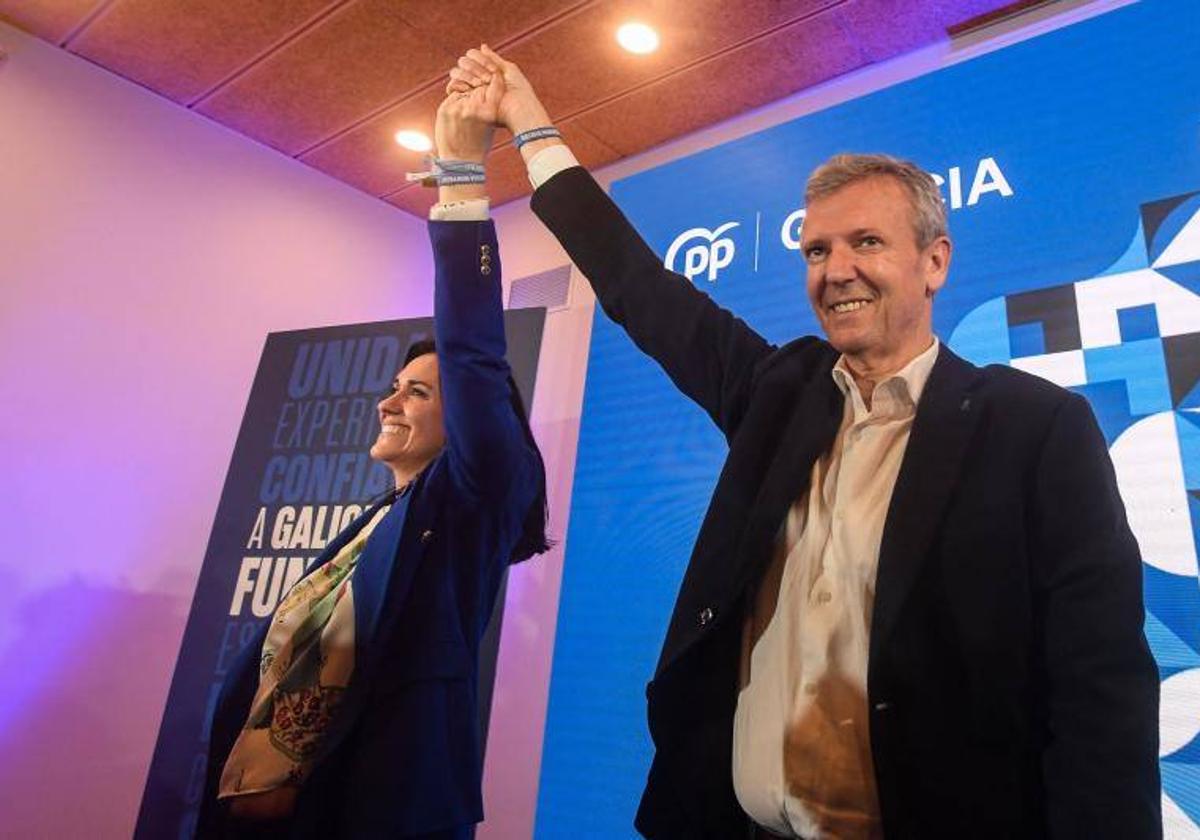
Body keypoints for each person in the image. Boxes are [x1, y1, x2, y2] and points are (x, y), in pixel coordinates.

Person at [447, 46, 1161, 839]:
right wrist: (533, 129)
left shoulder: (1034, 426)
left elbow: (1103, 691)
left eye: (866, 243)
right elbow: (641, 291)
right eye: (817, 251)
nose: (837, 270)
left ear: (934, 262)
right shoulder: (781, 394)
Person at [197, 71, 549, 840]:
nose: (389, 402)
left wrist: (460, 185)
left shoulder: (468, 504)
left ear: (478, 421)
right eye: (394, 387)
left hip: (374, 813)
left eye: (420, 393)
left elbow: (475, 357)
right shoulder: (374, 521)